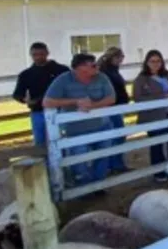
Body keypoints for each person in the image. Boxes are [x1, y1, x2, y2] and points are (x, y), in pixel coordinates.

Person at [43, 53, 115, 188]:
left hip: (101, 125)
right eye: (93, 65)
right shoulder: (63, 80)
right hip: (76, 129)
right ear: (80, 68)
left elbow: (111, 98)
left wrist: (92, 105)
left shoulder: (102, 78)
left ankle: (98, 184)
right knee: (78, 159)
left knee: (103, 154)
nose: (96, 67)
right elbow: (47, 102)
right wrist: (76, 101)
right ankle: (84, 186)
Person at [133, 50, 168, 182]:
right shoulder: (141, 79)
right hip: (153, 116)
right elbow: (138, 98)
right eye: (152, 61)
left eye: (158, 61)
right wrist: (162, 97)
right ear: (147, 62)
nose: (156, 64)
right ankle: (159, 172)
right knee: (156, 144)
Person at [13, 42, 69, 147]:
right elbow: (17, 94)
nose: (38, 57)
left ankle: (66, 162)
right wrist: (25, 100)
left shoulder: (62, 70)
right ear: (31, 55)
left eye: (41, 54)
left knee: (63, 140)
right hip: (38, 111)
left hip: (61, 110)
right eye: (35, 55)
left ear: (47, 53)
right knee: (40, 142)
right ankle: (44, 162)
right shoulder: (26, 74)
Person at [97, 47, 130, 173]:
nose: (121, 60)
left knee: (117, 135)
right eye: (119, 57)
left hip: (117, 106)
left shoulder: (112, 70)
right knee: (116, 136)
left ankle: (115, 163)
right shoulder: (106, 72)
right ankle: (114, 164)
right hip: (111, 107)